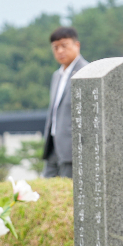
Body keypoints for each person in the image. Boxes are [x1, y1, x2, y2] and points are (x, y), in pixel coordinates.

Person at [41, 27, 89, 178]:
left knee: (68, 193)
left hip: (73, 149)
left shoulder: (87, 72)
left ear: (77, 45)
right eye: (56, 47)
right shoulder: (57, 75)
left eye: (64, 45)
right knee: (48, 191)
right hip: (53, 145)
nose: (60, 51)